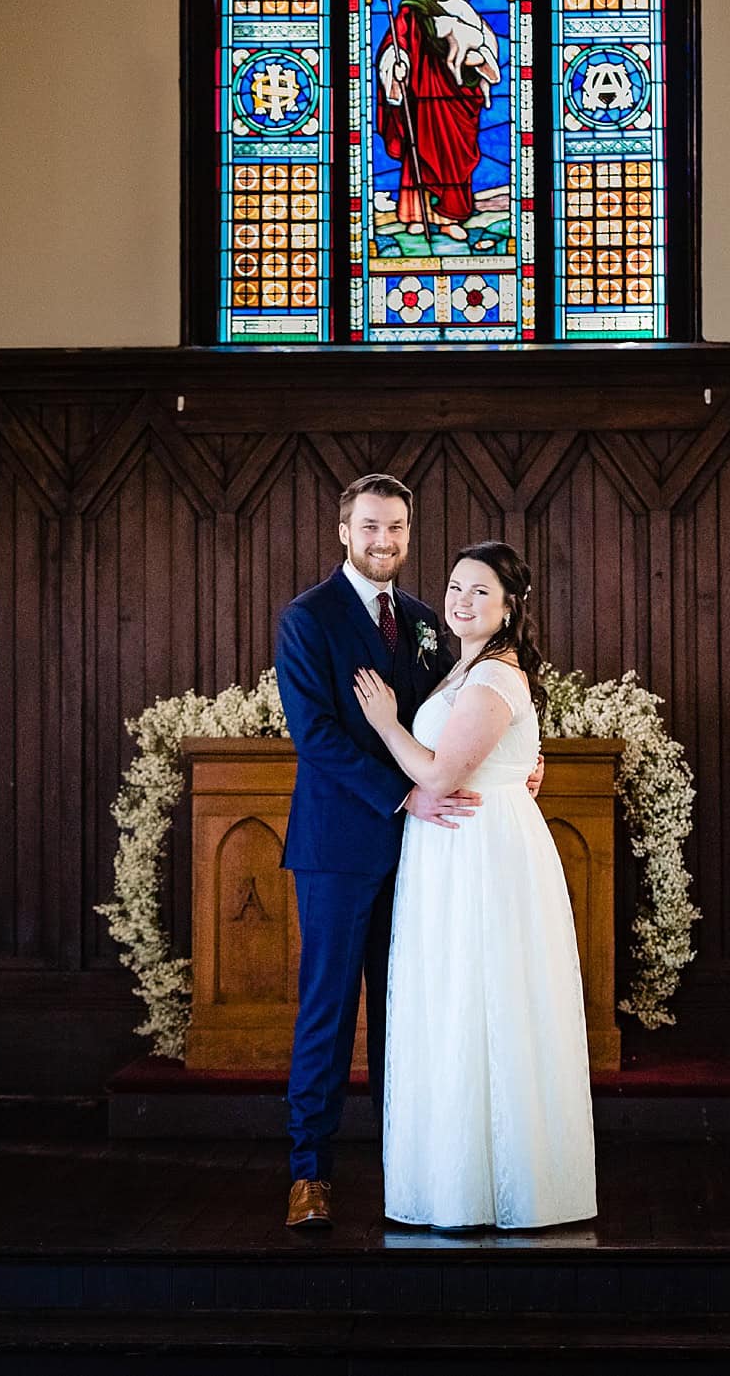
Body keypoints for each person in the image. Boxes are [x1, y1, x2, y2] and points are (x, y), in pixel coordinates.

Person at [274, 473, 543, 1230]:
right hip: (339, 845)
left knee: (412, 1014)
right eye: (369, 527)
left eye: (395, 527)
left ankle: (412, 1164)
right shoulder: (307, 618)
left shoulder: (429, 620)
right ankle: (309, 1175)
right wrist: (403, 794)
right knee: (328, 1011)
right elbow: (315, 735)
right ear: (343, 531)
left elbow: (467, 708)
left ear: (408, 531)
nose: (383, 539)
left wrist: (523, 753)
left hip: (429, 852)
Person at [355, 541, 598, 1229]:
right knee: (460, 1003)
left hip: (482, 851)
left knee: (484, 1001)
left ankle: (497, 1189)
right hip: (454, 848)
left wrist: (386, 723)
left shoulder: (494, 675)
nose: (460, 600)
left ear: (510, 605)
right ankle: (456, 1182)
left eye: (480, 591)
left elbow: (438, 775)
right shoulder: (465, 665)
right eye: (456, 586)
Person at [374, 0, 499, 240]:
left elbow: (486, 43)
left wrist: (480, 59)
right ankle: (416, 216)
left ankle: (449, 219)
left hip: (457, 98)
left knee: (455, 157)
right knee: (418, 149)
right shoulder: (413, 8)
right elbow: (396, 43)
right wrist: (396, 65)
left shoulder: (462, 9)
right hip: (422, 96)